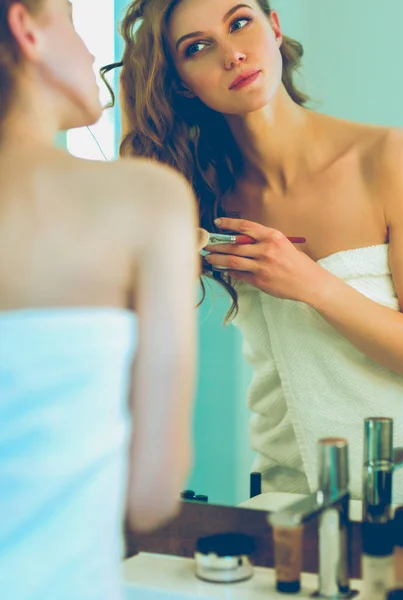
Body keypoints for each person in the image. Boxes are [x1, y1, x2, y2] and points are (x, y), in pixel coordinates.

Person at [104, 0, 403, 512]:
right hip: (288, 493)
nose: (233, 55)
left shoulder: (390, 158)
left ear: (274, 26)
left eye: (240, 23)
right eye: (198, 48)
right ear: (180, 82)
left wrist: (308, 283)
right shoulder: (206, 199)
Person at [0, 0, 199, 598]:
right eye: (70, 19)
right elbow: (152, 496)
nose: (92, 52)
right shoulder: (146, 199)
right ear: (26, 28)